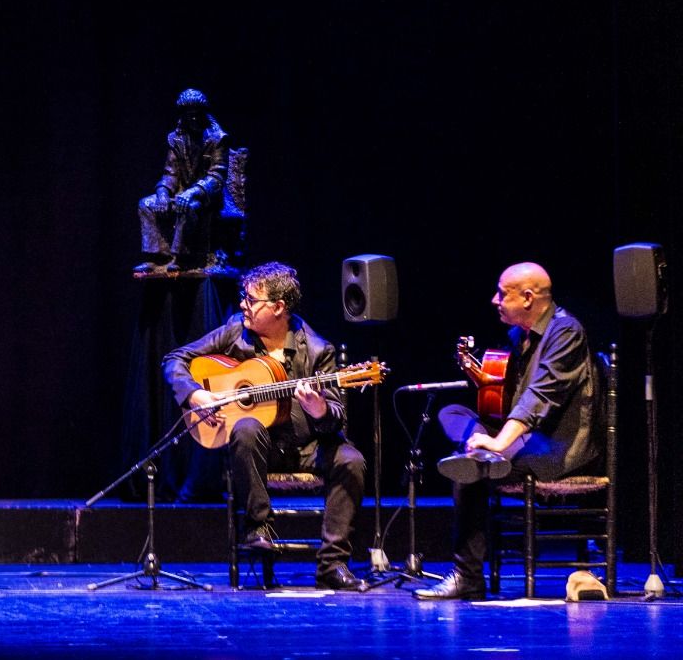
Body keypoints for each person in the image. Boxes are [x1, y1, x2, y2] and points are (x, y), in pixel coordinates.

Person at [163, 261, 368, 591]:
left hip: (308, 447)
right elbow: (175, 359)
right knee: (245, 426)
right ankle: (258, 528)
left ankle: (333, 563)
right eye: (243, 296)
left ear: (278, 307)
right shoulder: (236, 332)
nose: (243, 303)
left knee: (352, 460)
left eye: (251, 299)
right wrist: (196, 395)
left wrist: (318, 410)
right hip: (259, 450)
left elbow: (335, 416)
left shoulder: (317, 351)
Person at [416, 262, 600, 601]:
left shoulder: (566, 332)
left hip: (556, 446)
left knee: (468, 468)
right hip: (523, 440)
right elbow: (509, 399)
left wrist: (499, 441)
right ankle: (486, 456)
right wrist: (484, 381)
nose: (494, 300)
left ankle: (467, 576)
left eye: (503, 293)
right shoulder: (520, 336)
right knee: (452, 412)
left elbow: (540, 397)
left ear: (528, 298)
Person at [135, 89, 230, 276]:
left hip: (206, 198)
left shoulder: (218, 138)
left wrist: (192, 192)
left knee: (187, 206)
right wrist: (163, 193)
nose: (193, 120)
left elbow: (217, 177)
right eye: (189, 116)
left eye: (197, 115)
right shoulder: (176, 138)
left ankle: (181, 258)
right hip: (180, 194)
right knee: (146, 204)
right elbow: (170, 172)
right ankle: (158, 257)